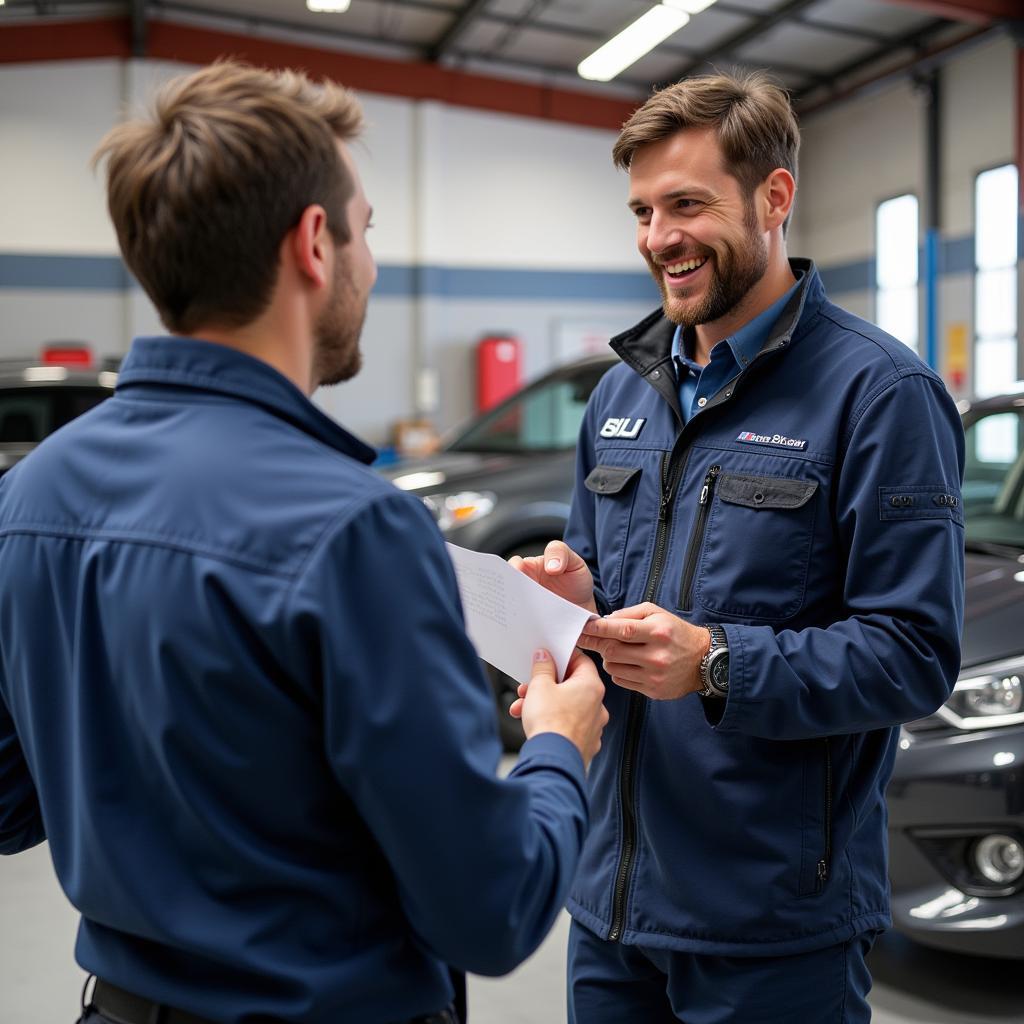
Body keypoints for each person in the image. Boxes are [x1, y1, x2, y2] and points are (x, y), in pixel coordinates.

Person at [0, 60, 608, 1024]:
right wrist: (557, 744)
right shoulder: (358, 529)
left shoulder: (28, 497)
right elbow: (491, 908)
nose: (370, 262)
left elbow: (8, 803)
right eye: (367, 232)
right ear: (314, 243)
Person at [512, 71, 965, 1022]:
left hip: (771, 927)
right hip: (610, 908)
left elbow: (914, 654)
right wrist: (566, 597)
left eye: (686, 204)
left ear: (775, 197)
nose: (656, 238)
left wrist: (717, 663)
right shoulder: (620, 396)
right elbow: (606, 589)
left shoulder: (880, 396)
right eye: (641, 210)